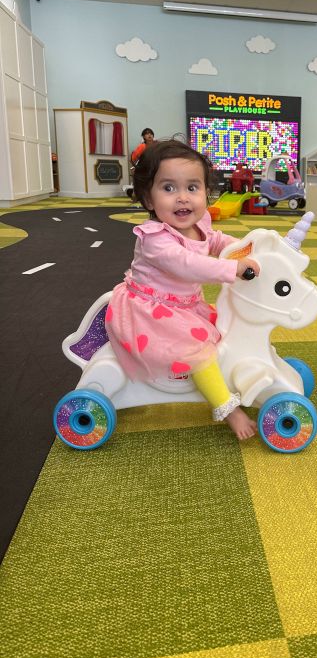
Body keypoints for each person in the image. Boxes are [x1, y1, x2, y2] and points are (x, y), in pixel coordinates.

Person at [105, 139, 260, 440]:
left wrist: (240, 249)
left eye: (192, 187)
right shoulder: (154, 239)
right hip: (150, 310)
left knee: (226, 326)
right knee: (199, 350)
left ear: (205, 192)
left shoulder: (198, 224)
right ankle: (228, 409)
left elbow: (216, 241)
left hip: (184, 306)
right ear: (149, 200)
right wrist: (232, 269)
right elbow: (187, 264)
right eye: (168, 188)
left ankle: (233, 375)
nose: (182, 198)